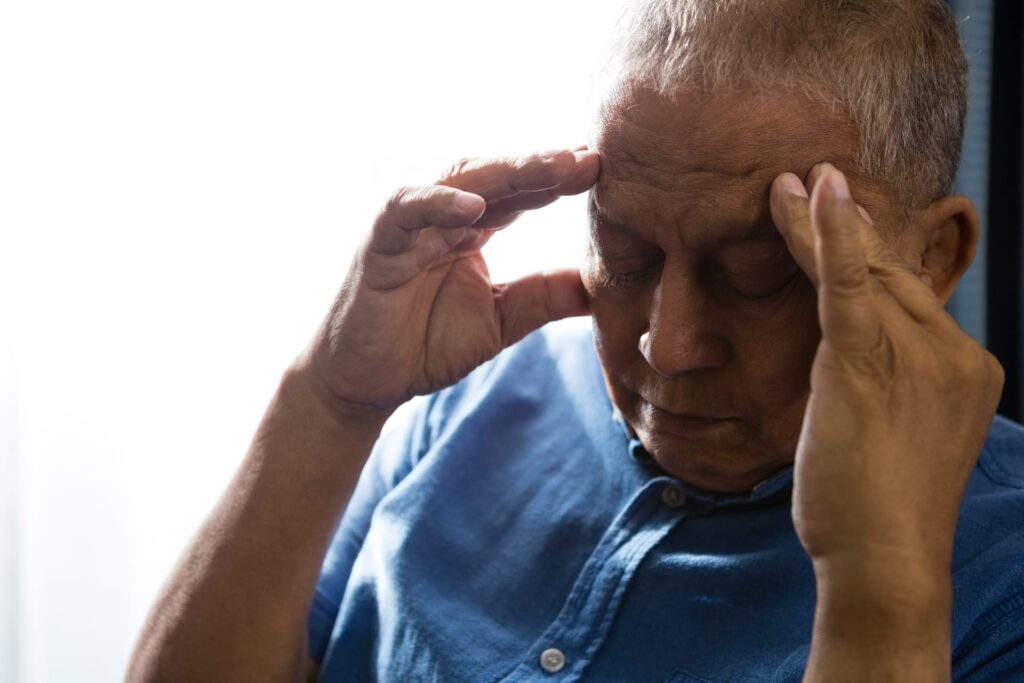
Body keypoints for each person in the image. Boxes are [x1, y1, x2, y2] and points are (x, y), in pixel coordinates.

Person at [126, 1, 1024, 681]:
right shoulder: (475, 395)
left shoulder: (1001, 566)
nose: (667, 346)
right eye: (623, 254)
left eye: (759, 275)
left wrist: (882, 587)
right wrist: (329, 402)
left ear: (930, 258)